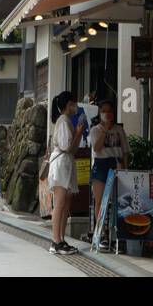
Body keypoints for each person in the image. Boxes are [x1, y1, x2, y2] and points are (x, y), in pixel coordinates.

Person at [88, 98, 127, 252]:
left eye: (109, 111)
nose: (107, 114)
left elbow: (125, 152)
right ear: (99, 113)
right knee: (100, 201)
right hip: (101, 164)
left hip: (116, 163)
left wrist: (126, 168)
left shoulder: (119, 130)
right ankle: (102, 233)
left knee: (118, 201)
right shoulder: (95, 130)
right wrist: (104, 130)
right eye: (103, 111)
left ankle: (116, 235)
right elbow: (97, 148)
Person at [46, 92, 82, 256]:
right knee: (60, 203)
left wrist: (78, 132)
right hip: (61, 165)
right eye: (74, 103)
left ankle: (60, 238)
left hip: (65, 164)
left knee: (65, 204)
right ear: (69, 104)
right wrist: (79, 132)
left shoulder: (65, 121)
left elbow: (70, 148)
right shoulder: (63, 121)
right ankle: (56, 241)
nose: (76, 106)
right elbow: (68, 147)